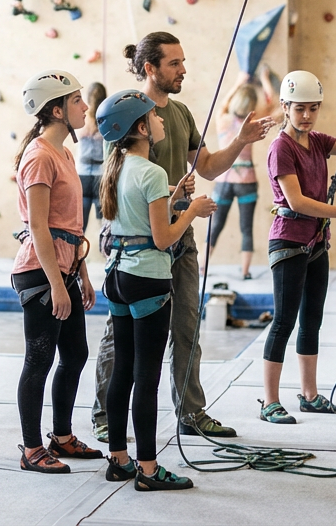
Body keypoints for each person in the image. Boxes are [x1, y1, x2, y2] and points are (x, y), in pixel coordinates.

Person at [90, 32, 273, 441]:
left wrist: (240, 140)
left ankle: (191, 411)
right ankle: (106, 415)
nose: (183, 70)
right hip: (139, 244)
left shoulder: (182, 114)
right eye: (174, 63)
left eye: (183, 62)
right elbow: (117, 183)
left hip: (179, 239)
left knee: (187, 325)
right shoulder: (124, 114)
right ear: (150, 68)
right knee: (121, 336)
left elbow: (207, 166)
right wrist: (175, 198)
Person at [96, 89, 217, 491]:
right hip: (147, 276)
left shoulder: (117, 168)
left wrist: (173, 199)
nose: (162, 119)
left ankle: (118, 459)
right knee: (146, 377)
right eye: (154, 116)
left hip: (117, 275)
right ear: (142, 128)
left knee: (125, 372)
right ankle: (148, 470)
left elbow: (139, 218)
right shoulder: (152, 172)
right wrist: (192, 211)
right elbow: (164, 239)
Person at [259, 71, 336, 424]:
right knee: (284, 321)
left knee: (312, 321)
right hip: (290, 241)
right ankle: (269, 402)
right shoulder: (281, 147)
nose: (306, 116)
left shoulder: (318, 141)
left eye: (313, 109)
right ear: (285, 108)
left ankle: (309, 395)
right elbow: (298, 201)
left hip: (316, 243)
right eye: (299, 109)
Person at [11, 70, 102, 473]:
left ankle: (61, 436)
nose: (84, 107)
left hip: (64, 269)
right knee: (39, 359)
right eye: (78, 100)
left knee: (76, 353)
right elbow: (38, 226)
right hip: (40, 272)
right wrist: (55, 284)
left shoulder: (64, 152)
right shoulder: (39, 156)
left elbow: (70, 226)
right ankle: (31, 449)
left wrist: (80, 275)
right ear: (56, 109)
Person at [206, 70, 278, 280]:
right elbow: (272, 104)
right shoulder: (254, 125)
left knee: (216, 225)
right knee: (246, 228)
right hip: (247, 180)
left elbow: (223, 105)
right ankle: (245, 271)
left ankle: (203, 267)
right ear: (252, 106)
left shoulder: (223, 121)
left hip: (223, 181)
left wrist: (238, 83)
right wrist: (265, 80)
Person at [77, 82, 108, 230]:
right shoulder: (99, 118)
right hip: (94, 173)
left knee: (85, 222)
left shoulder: (98, 118)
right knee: (100, 222)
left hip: (91, 173)